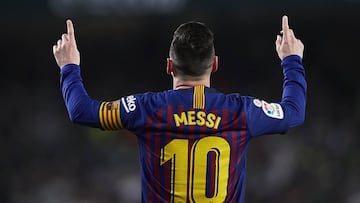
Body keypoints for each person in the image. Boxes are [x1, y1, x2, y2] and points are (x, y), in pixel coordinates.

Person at [53, 15, 306, 203]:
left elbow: (81, 111)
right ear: (215, 64)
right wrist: (291, 60)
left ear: (169, 66)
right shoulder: (241, 111)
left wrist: (69, 66)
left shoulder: (146, 109)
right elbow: (293, 111)